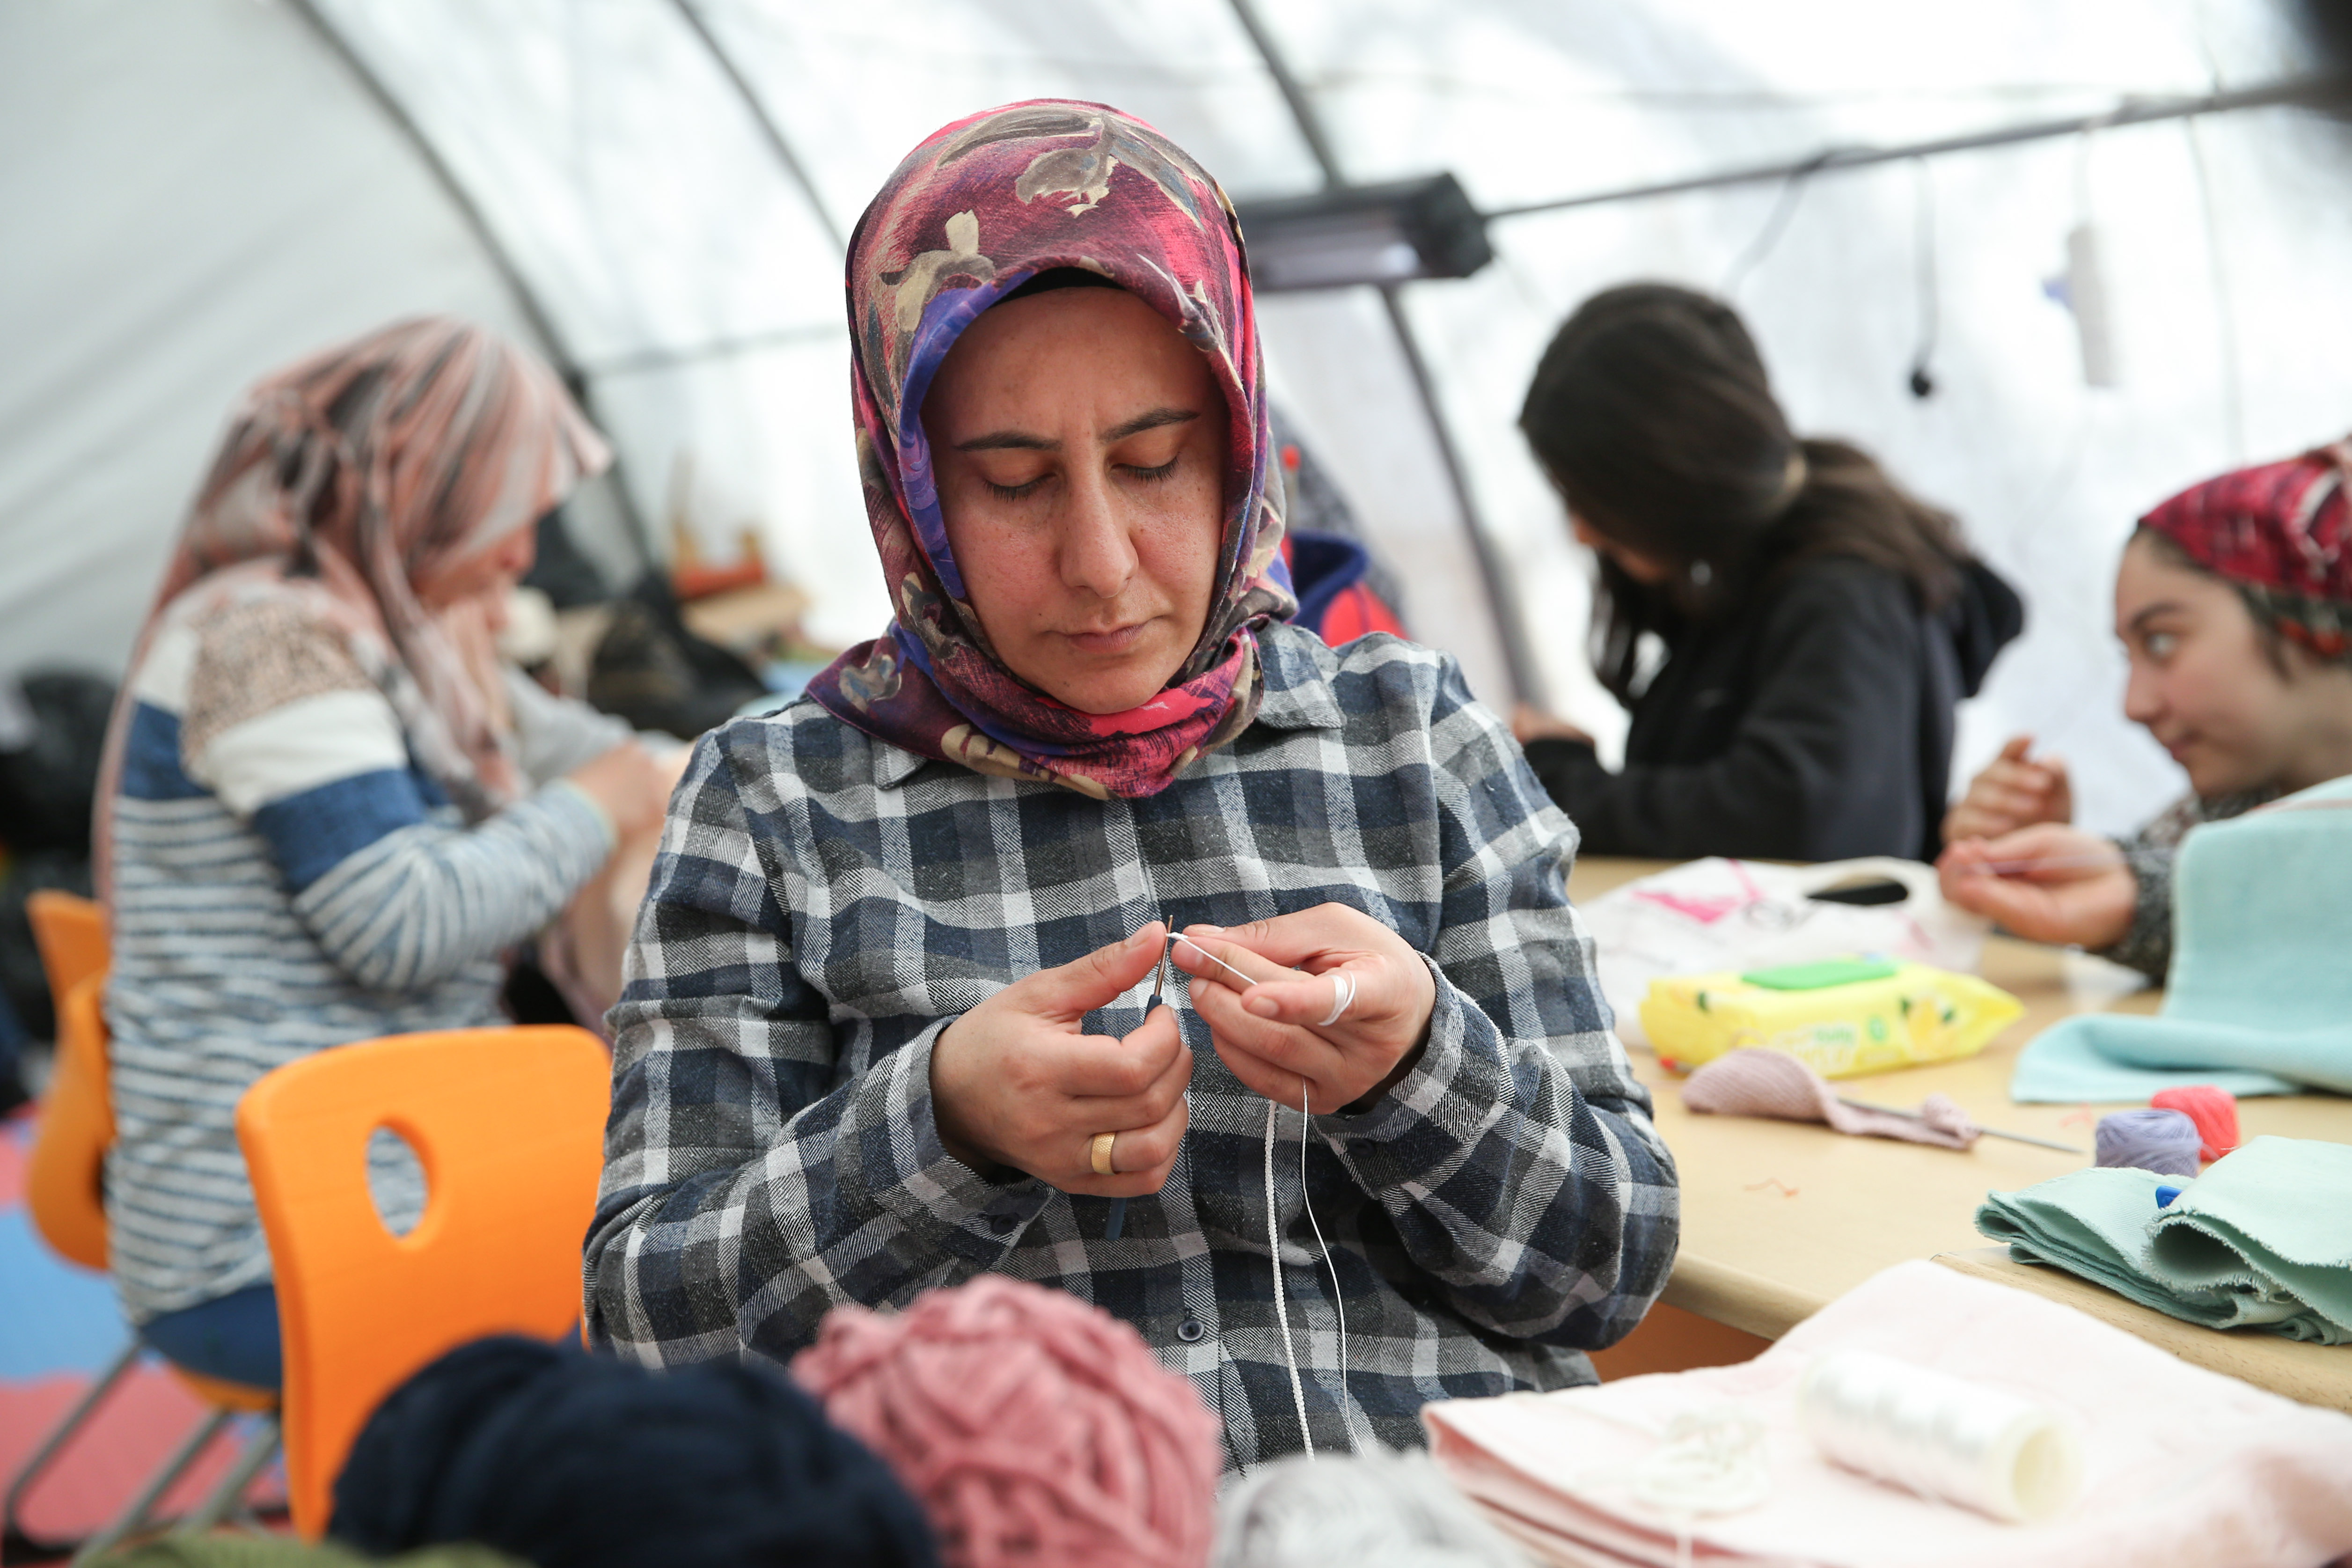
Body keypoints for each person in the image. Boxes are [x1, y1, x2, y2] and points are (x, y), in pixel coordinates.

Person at [586, 101, 1678, 1467]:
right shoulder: (774, 806)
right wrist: (937, 1127)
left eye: (1153, 463)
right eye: (1012, 482)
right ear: (911, 484)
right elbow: (646, 1337)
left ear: (1239, 448)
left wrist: (1418, 1069)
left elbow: (1611, 1268)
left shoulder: (1414, 743)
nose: (1100, 559)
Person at [97, 319, 675, 1389]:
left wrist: (703, 772)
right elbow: (399, 924)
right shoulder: (272, 642)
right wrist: (597, 806)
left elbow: (583, 746)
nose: (517, 557)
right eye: (504, 520)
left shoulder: (382, 630)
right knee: (698, 1289)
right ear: (417, 493)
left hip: (359, 1195)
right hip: (281, 1251)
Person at [1511, 283, 2022, 863]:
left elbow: (1801, 818)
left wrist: (1557, 781)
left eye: (1596, 496)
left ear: (1668, 472)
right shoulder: (1735, 579)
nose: (1582, 531)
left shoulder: (1844, 593)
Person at [1939, 435, 2352, 977]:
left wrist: (2143, 902)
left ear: (2308, 616)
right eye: (2127, 655)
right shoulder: (2222, 815)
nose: (2134, 705)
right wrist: (2023, 873)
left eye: (2161, 641)